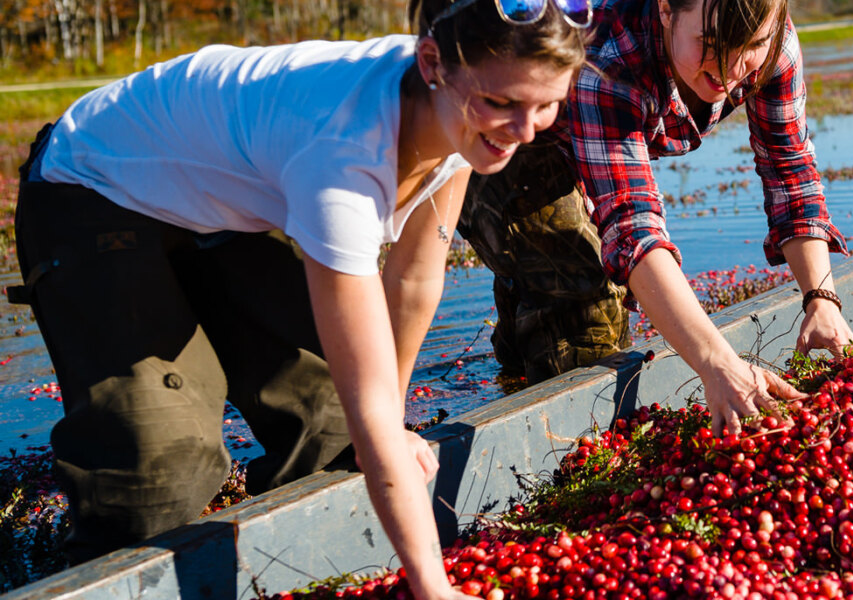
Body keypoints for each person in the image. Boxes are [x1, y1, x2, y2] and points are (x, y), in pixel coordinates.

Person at [12, 0, 587, 596]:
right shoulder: (342, 155)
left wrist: (390, 421)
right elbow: (375, 423)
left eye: (545, 105)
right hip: (94, 184)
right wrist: (432, 585)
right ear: (433, 63)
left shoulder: (462, 110)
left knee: (327, 422)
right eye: (503, 105)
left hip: (217, 205)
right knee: (161, 463)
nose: (524, 133)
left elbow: (415, 280)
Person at [457, 0, 853, 432]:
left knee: (556, 284)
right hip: (497, 135)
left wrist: (821, 298)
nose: (731, 67)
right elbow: (634, 228)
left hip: (579, 132)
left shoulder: (771, 42)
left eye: (751, 45)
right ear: (666, 9)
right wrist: (717, 362)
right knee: (585, 304)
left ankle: (518, 351)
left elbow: (789, 170)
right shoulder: (609, 60)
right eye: (709, 43)